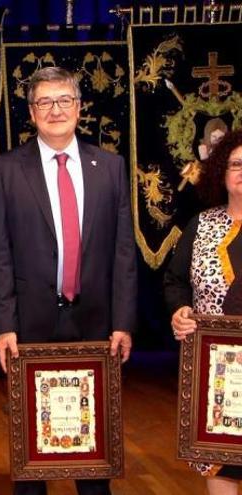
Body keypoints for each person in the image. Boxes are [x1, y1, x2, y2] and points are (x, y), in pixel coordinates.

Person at [0, 66, 136, 495]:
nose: (56, 110)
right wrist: (3, 325)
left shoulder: (110, 167)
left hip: (94, 326)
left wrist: (123, 322)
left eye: (64, 100)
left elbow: (123, 251)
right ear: (31, 113)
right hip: (30, 328)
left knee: (93, 454)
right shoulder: (5, 170)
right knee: (31, 455)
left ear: (79, 107)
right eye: (45, 102)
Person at [166, 128, 242, 495]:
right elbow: (175, 280)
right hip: (216, 375)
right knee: (221, 460)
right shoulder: (201, 225)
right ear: (220, 173)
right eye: (236, 164)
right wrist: (180, 310)